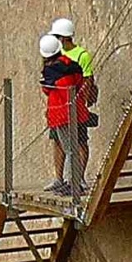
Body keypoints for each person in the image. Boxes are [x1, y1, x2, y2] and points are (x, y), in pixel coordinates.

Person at [40, 33, 88, 196]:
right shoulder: (72, 64)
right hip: (77, 111)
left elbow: (47, 89)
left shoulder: (51, 71)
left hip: (61, 114)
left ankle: (71, 184)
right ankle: (75, 181)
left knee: (69, 149)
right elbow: (81, 82)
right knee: (74, 146)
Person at [55, 16, 97, 174]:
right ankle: (59, 179)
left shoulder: (81, 55)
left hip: (75, 106)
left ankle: (80, 178)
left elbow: (87, 80)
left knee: (80, 141)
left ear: (64, 37)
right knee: (58, 141)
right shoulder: (56, 54)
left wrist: (80, 103)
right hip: (59, 106)